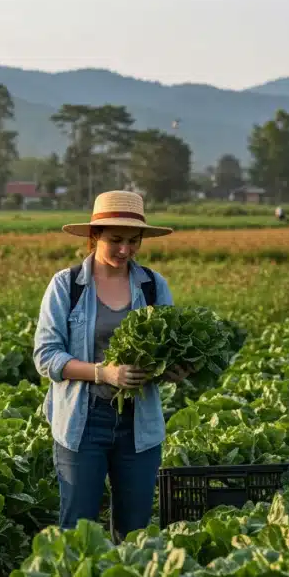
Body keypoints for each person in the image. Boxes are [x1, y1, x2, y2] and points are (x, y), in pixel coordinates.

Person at [33, 190, 191, 541]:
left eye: (133, 241)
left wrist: (172, 370)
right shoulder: (67, 285)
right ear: (94, 236)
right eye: (116, 240)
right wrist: (103, 373)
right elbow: (46, 356)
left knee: (135, 531)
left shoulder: (153, 285)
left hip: (139, 423)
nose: (125, 250)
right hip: (83, 420)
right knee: (78, 528)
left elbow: (167, 347)